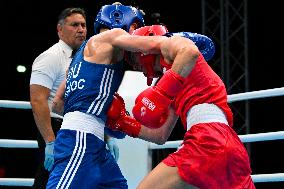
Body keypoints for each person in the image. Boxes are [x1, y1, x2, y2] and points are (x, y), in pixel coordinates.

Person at [106, 25, 256, 189]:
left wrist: (160, 93)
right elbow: (160, 135)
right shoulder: (172, 79)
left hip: (207, 141)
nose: (135, 65)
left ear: (146, 48)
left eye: (134, 58)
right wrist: (122, 122)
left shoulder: (171, 45)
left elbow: (191, 53)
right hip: (229, 147)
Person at [46, 3, 146, 189]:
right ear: (120, 20)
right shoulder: (115, 35)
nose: (135, 32)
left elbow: (57, 104)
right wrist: (178, 42)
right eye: (135, 27)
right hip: (80, 141)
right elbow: (152, 45)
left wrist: (98, 117)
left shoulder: (79, 57)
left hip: (93, 142)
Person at [29, 7, 88, 189]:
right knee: (50, 181)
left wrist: (106, 136)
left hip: (78, 128)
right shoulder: (50, 57)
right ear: (60, 29)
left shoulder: (84, 59)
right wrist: (50, 142)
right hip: (56, 128)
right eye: (74, 25)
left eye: (84, 25)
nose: (81, 29)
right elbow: (38, 100)